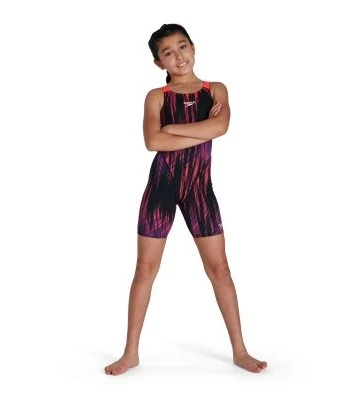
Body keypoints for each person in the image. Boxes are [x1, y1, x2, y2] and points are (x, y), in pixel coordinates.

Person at [105, 23, 267, 375]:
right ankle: (130, 353)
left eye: (182, 46)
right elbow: (153, 142)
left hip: (199, 191)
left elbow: (220, 127)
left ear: (193, 47)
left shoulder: (216, 89)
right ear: (158, 62)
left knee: (220, 269)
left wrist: (171, 129)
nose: (178, 56)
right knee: (145, 269)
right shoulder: (156, 96)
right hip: (160, 189)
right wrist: (198, 131)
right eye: (168, 52)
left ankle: (240, 351)